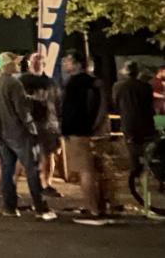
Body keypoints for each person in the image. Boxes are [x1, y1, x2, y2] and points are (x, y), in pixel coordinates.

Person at [0, 52, 55, 221]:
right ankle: (40, 207)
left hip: (1, 131)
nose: (19, 65)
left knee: (7, 169)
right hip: (19, 133)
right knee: (32, 168)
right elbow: (22, 110)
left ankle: (9, 206)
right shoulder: (14, 83)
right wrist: (32, 128)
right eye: (15, 62)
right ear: (8, 64)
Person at [61, 51, 110, 223]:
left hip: (78, 131)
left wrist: (65, 129)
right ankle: (100, 205)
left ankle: (93, 209)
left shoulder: (74, 83)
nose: (64, 65)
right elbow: (103, 105)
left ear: (77, 64)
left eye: (67, 61)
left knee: (85, 171)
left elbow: (69, 110)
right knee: (95, 169)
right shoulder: (94, 82)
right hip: (92, 130)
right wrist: (97, 125)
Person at [19, 53, 62, 197]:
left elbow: (56, 102)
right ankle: (18, 184)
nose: (36, 64)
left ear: (44, 64)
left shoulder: (50, 82)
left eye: (40, 62)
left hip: (47, 123)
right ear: (29, 64)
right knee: (27, 155)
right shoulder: (22, 81)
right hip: (29, 124)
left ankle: (46, 184)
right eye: (34, 62)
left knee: (48, 154)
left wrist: (57, 122)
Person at [112, 60, 156, 189]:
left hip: (128, 122)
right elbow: (149, 105)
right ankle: (148, 173)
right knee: (148, 149)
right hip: (146, 122)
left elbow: (115, 104)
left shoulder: (118, 86)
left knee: (132, 150)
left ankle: (135, 174)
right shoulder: (146, 86)